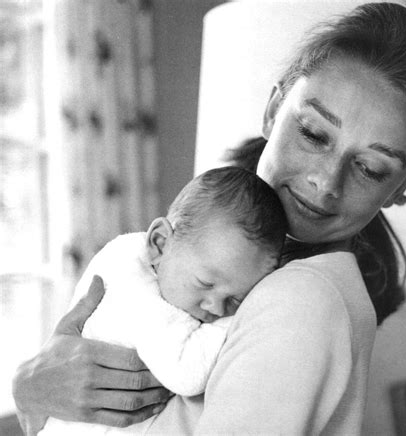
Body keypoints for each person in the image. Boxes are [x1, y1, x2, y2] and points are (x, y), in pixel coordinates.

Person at [13, 3, 406, 435]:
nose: (326, 182)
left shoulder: (304, 295)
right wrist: (33, 387)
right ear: (272, 111)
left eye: (370, 168)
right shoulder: (234, 266)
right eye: (313, 134)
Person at [38, 166, 286, 435]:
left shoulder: (132, 253)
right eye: (205, 283)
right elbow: (186, 374)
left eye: (236, 299)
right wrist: (237, 320)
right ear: (159, 242)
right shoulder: (138, 296)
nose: (215, 307)